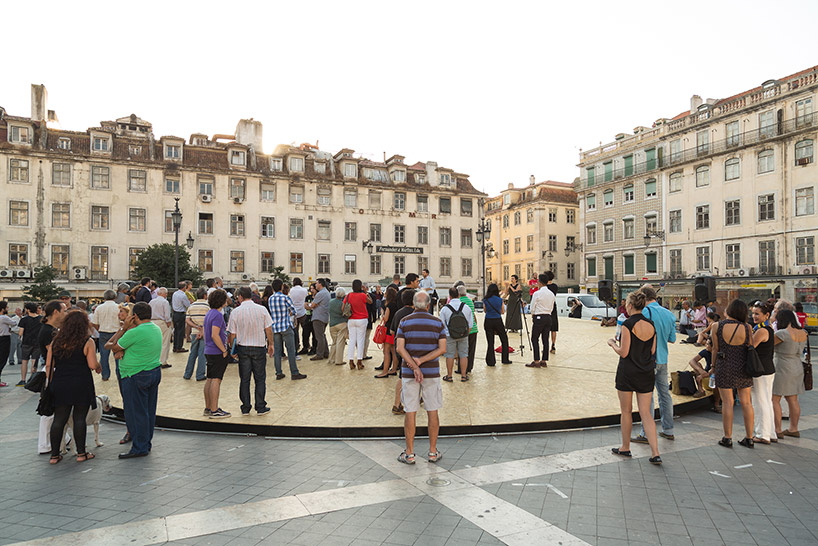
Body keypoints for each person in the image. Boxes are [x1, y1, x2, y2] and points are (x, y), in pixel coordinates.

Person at [607, 290, 662, 465]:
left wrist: (612, 344)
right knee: (646, 413)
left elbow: (624, 352)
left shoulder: (627, 324)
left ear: (630, 306)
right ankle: (655, 452)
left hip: (628, 371)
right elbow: (653, 351)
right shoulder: (651, 324)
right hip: (646, 372)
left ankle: (625, 447)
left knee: (626, 411)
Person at [105, 302, 162, 458]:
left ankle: (139, 447)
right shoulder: (156, 329)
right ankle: (146, 443)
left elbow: (114, 347)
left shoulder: (134, 332)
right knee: (148, 411)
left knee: (136, 413)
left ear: (134, 316)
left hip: (135, 374)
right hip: (153, 372)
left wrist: (123, 328)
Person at [395, 291, 446, 465]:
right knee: (432, 410)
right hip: (431, 373)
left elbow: (400, 348)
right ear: (429, 304)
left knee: (410, 411)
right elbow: (442, 349)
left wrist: (414, 366)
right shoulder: (438, 323)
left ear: (414, 304)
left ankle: (409, 453)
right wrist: (422, 362)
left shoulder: (404, 322)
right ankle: (433, 451)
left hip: (409, 374)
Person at [46, 310, 101, 464]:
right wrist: (98, 365)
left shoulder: (56, 342)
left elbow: (50, 364)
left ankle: (54, 455)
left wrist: (49, 385)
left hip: (60, 382)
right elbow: (91, 364)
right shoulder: (87, 341)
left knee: (59, 419)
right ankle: (81, 453)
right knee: (79, 418)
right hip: (81, 383)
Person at [632, 285, 677, 444]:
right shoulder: (669, 314)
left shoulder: (643, 313)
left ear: (643, 298)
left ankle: (645, 433)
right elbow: (672, 339)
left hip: (646, 361)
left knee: (647, 397)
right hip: (663, 359)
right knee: (664, 395)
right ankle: (668, 429)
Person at [711, 299, 755, 448]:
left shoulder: (717, 326)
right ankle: (749, 438)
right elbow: (750, 346)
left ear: (728, 310)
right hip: (743, 367)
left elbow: (715, 349)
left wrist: (713, 366)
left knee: (728, 403)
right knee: (746, 402)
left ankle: (727, 437)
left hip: (725, 366)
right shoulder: (747, 327)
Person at [228, 287, 277, 415]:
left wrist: (231, 348)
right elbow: (268, 329)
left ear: (240, 297)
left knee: (244, 379)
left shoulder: (235, 312)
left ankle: (245, 407)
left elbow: (232, 334)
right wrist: (271, 344)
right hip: (259, 347)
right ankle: (260, 406)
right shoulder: (262, 310)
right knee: (260, 378)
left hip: (243, 347)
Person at [772, 309, 807, 439]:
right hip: (797, 366)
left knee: (775, 398)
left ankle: (778, 429)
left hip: (782, 366)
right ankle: (794, 428)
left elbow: (769, 345)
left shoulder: (782, 333)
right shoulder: (803, 333)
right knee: (793, 399)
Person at [37, 300, 66, 455]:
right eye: (64, 310)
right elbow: (52, 355)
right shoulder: (48, 331)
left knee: (57, 408)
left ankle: (64, 438)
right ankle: (44, 443)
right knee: (49, 410)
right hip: (52, 372)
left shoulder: (51, 329)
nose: (65, 313)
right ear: (55, 312)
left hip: (54, 372)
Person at [268, 279, 306, 382]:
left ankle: (279, 373)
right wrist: (288, 313)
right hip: (285, 326)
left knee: (277, 351)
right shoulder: (285, 297)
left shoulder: (270, 299)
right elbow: (294, 311)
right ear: (281, 287)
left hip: (275, 328)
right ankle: (294, 372)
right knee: (291, 350)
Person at [750, 301, 776, 444]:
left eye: (757, 314)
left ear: (766, 315)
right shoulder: (768, 328)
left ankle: (762, 434)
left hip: (760, 370)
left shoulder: (761, 331)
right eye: (753, 313)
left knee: (760, 402)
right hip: (767, 368)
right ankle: (770, 433)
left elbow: (750, 346)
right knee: (766, 401)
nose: (754, 316)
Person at [386, 290, 416, 411]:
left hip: (400, 347)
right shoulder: (416, 313)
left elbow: (392, 331)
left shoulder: (398, 313)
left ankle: (397, 403)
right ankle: (418, 398)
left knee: (402, 376)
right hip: (414, 348)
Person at [203, 289, 231, 419]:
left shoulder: (209, 313)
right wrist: (224, 350)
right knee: (216, 379)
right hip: (216, 351)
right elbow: (215, 335)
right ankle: (214, 410)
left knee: (210, 378)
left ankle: (208, 407)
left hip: (209, 349)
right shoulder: (218, 315)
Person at [440, 286, 474, 383]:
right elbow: (470, 324)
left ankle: (449, 376)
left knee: (449, 355)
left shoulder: (445, 309)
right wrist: (465, 333)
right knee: (463, 355)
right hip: (463, 335)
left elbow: (441, 325)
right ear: (459, 295)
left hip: (449, 335)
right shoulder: (466, 307)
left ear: (449, 296)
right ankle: (463, 376)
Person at [527, 274, 556, 368]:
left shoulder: (537, 293)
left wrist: (533, 315)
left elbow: (532, 307)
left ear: (539, 282)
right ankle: (544, 360)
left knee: (535, 338)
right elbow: (552, 307)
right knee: (545, 339)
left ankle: (536, 361)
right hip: (548, 317)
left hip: (539, 316)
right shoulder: (551, 294)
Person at [90, 290, 120, 381]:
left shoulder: (99, 308)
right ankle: (120, 375)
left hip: (103, 332)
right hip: (116, 333)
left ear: (104, 297)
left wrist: (99, 329)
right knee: (118, 354)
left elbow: (94, 322)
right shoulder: (119, 307)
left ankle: (105, 375)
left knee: (104, 355)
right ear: (115, 297)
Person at [184, 288, 210, 382]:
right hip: (204, 332)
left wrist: (196, 326)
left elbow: (187, 320)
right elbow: (209, 320)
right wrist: (202, 328)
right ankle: (200, 374)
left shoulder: (191, 306)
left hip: (194, 332)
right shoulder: (208, 306)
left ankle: (187, 374)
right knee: (202, 353)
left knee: (193, 353)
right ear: (205, 295)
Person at [345, 280, 371, 370]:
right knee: (360, 340)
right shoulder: (363, 295)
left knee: (352, 340)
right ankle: (359, 361)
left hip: (351, 319)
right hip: (362, 319)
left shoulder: (348, 295)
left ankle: (351, 361)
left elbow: (342, 307)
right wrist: (365, 292)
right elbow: (370, 302)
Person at [483, 283, 511, 366]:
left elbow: (485, 311)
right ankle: (505, 359)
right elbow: (502, 312)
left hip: (488, 320)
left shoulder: (485, 299)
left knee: (490, 342)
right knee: (504, 339)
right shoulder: (499, 300)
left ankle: (491, 361)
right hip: (497, 320)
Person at [17, 302, 43, 386]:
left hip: (26, 342)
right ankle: (32, 380)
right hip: (37, 343)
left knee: (24, 361)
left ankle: (23, 380)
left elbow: (20, 332)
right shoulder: (41, 319)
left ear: (27, 309)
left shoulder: (24, 319)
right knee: (34, 361)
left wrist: (19, 337)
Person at [306, 279, 330, 360]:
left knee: (319, 337)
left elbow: (312, 305)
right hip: (324, 317)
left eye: (316, 283)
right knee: (322, 336)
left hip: (318, 317)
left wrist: (307, 305)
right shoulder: (326, 292)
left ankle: (319, 354)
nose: (315, 285)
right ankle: (326, 352)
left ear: (320, 284)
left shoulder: (320, 294)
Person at [149, 288, 173, 369]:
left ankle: (154, 360)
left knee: (154, 342)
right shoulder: (165, 302)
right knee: (165, 342)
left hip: (152, 322)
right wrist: (169, 322)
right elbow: (167, 314)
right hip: (162, 322)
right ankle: (163, 361)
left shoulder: (151, 301)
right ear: (163, 294)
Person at [379, 287, 400, 374]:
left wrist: (382, 315)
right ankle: (394, 369)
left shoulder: (389, 306)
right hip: (395, 329)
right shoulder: (397, 305)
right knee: (394, 351)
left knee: (386, 351)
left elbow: (386, 319)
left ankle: (385, 371)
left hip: (388, 329)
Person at [329, 287, 349, 366]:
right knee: (340, 343)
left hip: (332, 324)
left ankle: (331, 359)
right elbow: (346, 314)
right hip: (341, 324)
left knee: (334, 342)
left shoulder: (330, 302)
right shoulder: (343, 304)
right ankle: (339, 360)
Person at [0, 302, 17, 387]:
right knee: (2, 359)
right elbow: (14, 323)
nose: (8, 309)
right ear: (2, 309)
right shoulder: (3, 317)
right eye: (6, 307)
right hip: (4, 339)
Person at [289, 278, 308, 353]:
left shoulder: (291, 290)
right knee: (305, 330)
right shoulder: (304, 290)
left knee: (295, 331)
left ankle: (296, 345)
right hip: (303, 311)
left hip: (294, 313)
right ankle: (306, 345)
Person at [171, 281, 191, 353]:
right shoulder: (183, 295)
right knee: (181, 331)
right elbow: (187, 305)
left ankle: (175, 346)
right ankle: (179, 347)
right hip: (181, 313)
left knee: (176, 330)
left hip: (175, 313)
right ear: (184, 287)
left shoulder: (175, 293)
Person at [545, 271, 559, 354]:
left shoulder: (545, 287)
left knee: (546, 328)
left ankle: (546, 346)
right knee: (554, 328)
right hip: (553, 306)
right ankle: (553, 345)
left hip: (546, 307)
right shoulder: (555, 286)